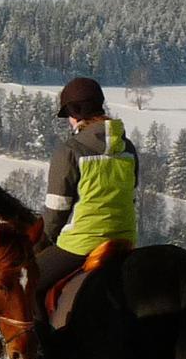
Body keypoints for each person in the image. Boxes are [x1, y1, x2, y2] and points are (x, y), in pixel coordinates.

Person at [36, 77, 138, 331]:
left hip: (83, 243)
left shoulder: (70, 150)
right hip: (125, 239)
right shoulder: (127, 147)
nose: (69, 122)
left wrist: (42, 241)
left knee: (27, 282)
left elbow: (57, 210)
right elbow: (131, 192)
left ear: (75, 112)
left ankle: (40, 349)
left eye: (68, 115)